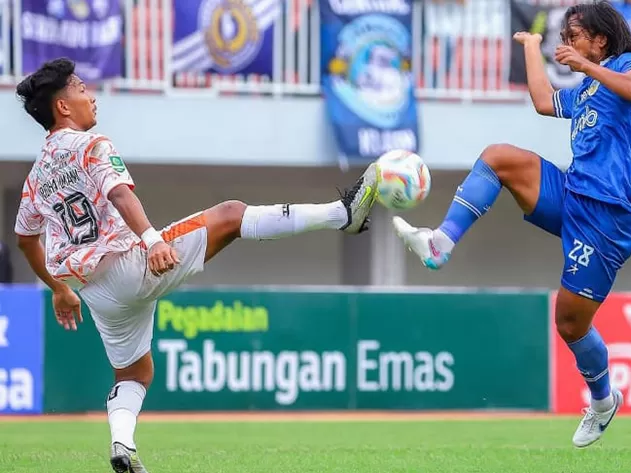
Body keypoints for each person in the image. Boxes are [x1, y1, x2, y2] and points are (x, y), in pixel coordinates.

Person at [14, 58, 379, 473]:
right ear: (63, 106)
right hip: (133, 263)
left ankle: (122, 444)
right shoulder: (92, 145)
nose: (90, 95)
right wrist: (151, 240)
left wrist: (59, 289)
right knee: (231, 214)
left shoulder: (37, 175)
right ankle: (341, 214)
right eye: (81, 88)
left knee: (134, 373)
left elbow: (26, 239)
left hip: (95, 291)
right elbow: (119, 195)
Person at [393, 1, 631, 448]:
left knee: (569, 323)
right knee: (499, 157)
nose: (567, 45)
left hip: (607, 219)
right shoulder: (586, 91)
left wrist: (588, 68)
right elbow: (541, 101)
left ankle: (603, 401)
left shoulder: (626, 66)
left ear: (600, 41)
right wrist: (532, 46)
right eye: (565, 39)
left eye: (574, 37)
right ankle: (441, 242)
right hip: (573, 193)